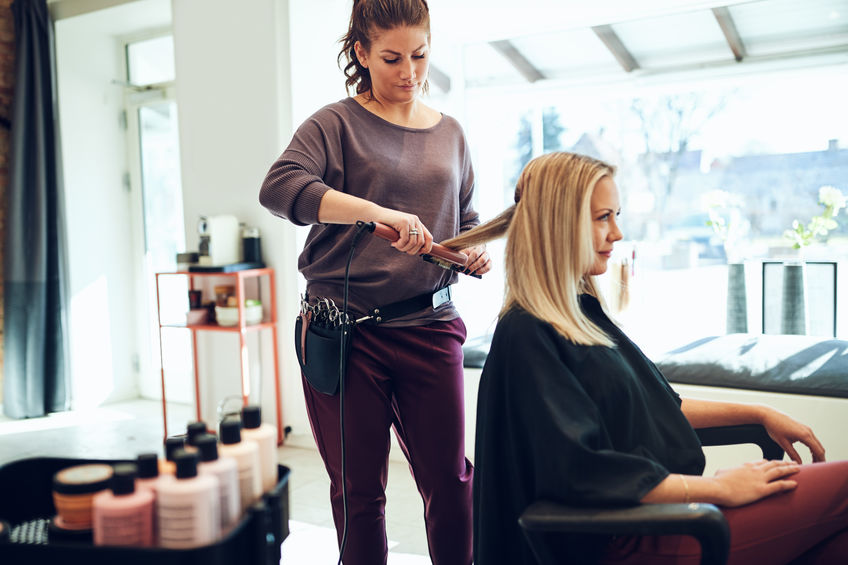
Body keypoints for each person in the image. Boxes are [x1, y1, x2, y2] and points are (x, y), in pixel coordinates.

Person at [442, 152, 848, 565]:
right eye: (603, 218)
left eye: (616, 215)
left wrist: (758, 411)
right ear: (558, 225)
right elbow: (576, 472)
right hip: (632, 540)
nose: (617, 233)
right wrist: (720, 489)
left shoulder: (578, 315)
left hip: (659, 520)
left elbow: (654, 408)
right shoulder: (530, 335)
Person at [259, 1, 489, 563]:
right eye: (391, 58)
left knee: (452, 481)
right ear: (361, 53)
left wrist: (472, 249)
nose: (409, 71)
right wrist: (374, 213)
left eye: (419, 54)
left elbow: (466, 220)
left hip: (430, 328)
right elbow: (280, 188)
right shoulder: (334, 125)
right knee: (359, 494)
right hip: (344, 334)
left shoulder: (451, 134)